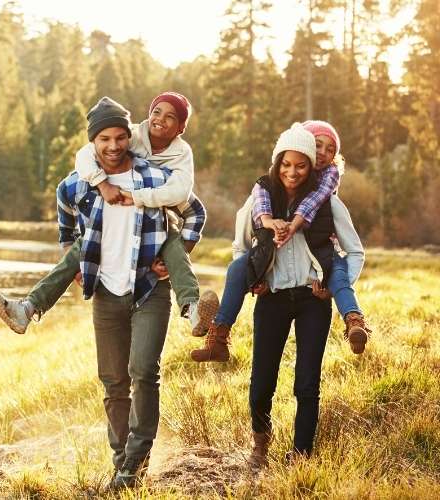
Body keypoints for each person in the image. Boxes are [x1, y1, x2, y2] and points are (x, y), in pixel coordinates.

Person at [0, 92, 217, 338]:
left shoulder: (181, 155)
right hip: (111, 225)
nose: (159, 119)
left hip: (159, 221)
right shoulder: (130, 134)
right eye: (156, 112)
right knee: (82, 246)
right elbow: (85, 155)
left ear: (181, 127)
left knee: (173, 245)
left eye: (171, 116)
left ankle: (193, 311)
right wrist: (102, 184)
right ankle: (27, 309)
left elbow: (184, 194)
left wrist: (175, 254)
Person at [50, 97, 180, 490]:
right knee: (113, 381)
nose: (113, 145)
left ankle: (134, 463)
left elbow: (196, 212)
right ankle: (123, 463)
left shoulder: (154, 178)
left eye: (121, 137)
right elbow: (65, 225)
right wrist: (74, 261)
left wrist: (176, 255)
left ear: (130, 138)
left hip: (148, 288)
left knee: (143, 372)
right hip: (106, 292)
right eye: (104, 138)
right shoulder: (74, 184)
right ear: (92, 142)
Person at [232, 123, 365, 466]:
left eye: (302, 164)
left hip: (312, 300)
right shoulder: (260, 199)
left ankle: (302, 454)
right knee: (262, 378)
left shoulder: (328, 203)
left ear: (310, 165)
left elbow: (355, 252)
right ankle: (260, 447)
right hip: (272, 298)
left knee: (307, 382)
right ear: (279, 162)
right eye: (287, 164)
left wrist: (333, 286)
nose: (293, 171)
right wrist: (252, 279)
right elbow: (240, 247)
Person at [190, 120, 371, 363]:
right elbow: (250, 222)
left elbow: (314, 205)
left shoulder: (327, 186)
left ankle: (354, 320)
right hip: (272, 277)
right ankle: (218, 334)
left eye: (330, 150)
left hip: (319, 261)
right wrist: (256, 275)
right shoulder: (267, 186)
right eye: (318, 145)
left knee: (338, 273)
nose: (323, 154)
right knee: (236, 269)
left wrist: (293, 226)